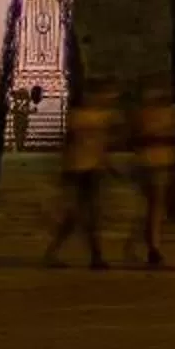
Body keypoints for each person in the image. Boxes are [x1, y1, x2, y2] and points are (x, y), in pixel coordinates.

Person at [44, 77, 119, 269]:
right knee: (81, 215)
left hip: (91, 169)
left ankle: (92, 255)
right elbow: (70, 144)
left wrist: (107, 165)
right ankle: (91, 255)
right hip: (78, 169)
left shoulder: (101, 116)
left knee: (87, 214)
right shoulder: (81, 117)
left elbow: (101, 145)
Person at [129, 83, 175, 266]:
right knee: (153, 208)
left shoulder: (161, 114)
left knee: (153, 208)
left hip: (158, 163)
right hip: (150, 164)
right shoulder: (149, 115)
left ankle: (151, 245)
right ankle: (151, 245)